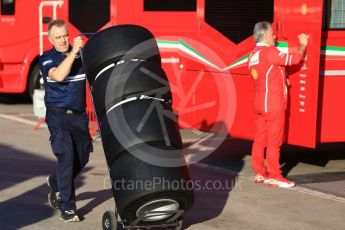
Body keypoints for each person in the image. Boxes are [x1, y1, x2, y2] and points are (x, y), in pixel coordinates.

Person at [39, 19, 93, 222]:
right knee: (66, 156)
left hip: (79, 116)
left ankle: (55, 182)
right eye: (58, 37)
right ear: (50, 39)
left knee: (83, 156)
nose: (63, 40)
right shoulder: (46, 58)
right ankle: (68, 208)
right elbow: (60, 75)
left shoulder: (82, 54)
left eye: (65, 36)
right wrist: (73, 53)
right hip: (57, 115)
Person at [248, 21, 308, 188]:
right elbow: (295, 58)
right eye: (272, 33)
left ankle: (260, 173)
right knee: (274, 142)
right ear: (266, 35)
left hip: (259, 102)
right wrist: (303, 44)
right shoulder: (270, 51)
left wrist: (283, 80)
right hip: (273, 103)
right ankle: (275, 175)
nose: (275, 36)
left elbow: (265, 74)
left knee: (260, 139)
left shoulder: (252, 54)